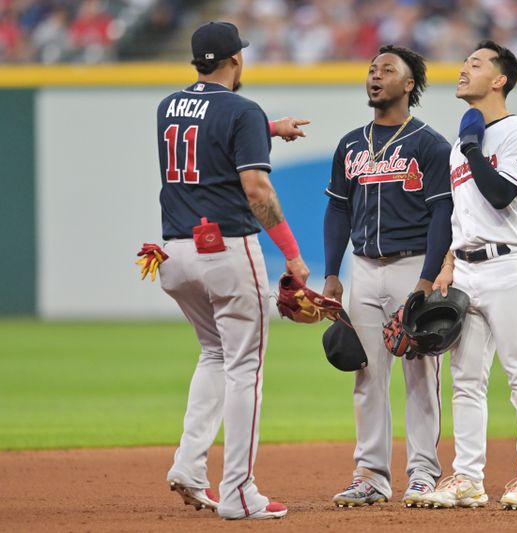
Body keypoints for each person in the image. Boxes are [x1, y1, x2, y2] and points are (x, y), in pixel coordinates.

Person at [154, 21, 310, 520]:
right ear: (235, 60)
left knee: (214, 354)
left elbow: (207, 134)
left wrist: (268, 128)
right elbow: (256, 191)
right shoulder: (243, 109)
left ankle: (189, 465)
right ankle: (240, 490)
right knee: (246, 367)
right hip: (225, 250)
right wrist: (292, 254)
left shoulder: (168, 107)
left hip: (174, 254)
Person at [323, 44, 454, 508]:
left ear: (409, 83)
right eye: (372, 69)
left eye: (387, 70)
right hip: (362, 269)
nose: (375, 76)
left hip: (410, 266)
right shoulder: (351, 143)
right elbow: (337, 210)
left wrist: (426, 279)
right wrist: (332, 275)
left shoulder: (430, 143)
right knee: (366, 374)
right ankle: (371, 475)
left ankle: (422, 474)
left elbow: (443, 213)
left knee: (420, 373)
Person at [425, 40, 517, 510]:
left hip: (509, 266)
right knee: (466, 379)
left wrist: (475, 148)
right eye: (463, 62)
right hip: (467, 270)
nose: (463, 69)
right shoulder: (462, 146)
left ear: (499, 79)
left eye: (475, 64)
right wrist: (447, 262)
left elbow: (499, 195)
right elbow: (463, 213)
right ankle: (467, 478)